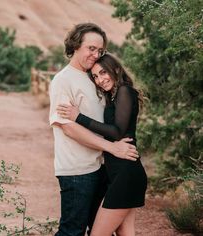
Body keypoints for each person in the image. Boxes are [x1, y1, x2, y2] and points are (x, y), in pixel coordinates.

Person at [49, 23, 139, 236]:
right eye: (91, 48)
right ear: (76, 44)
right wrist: (112, 147)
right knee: (72, 231)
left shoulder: (93, 77)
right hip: (77, 171)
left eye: (100, 50)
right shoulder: (63, 80)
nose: (95, 54)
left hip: (100, 167)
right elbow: (68, 128)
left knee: (101, 229)